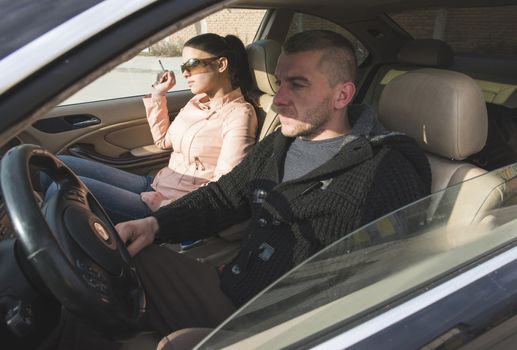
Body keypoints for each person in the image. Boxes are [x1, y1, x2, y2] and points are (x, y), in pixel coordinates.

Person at [116, 29, 433, 341]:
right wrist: (153, 225)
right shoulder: (280, 142)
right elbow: (224, 196)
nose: (279, 99)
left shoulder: (387, 172)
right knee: (123, 257)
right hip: (233, 286)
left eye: (298, 85)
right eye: (281, 83)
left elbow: (386, 285)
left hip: (277, 327)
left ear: (342, 95)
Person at [42, 33, 257, 226]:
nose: (185, 73)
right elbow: (164, 141)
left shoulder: (239, 114)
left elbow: (226, 184)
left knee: (60, 189)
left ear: (221, 64)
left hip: (175, 204)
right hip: (157, 183)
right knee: (58, 164)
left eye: (192, 65)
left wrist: (168, 208)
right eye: (183, 68)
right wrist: (158, 94)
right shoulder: (197, 102)